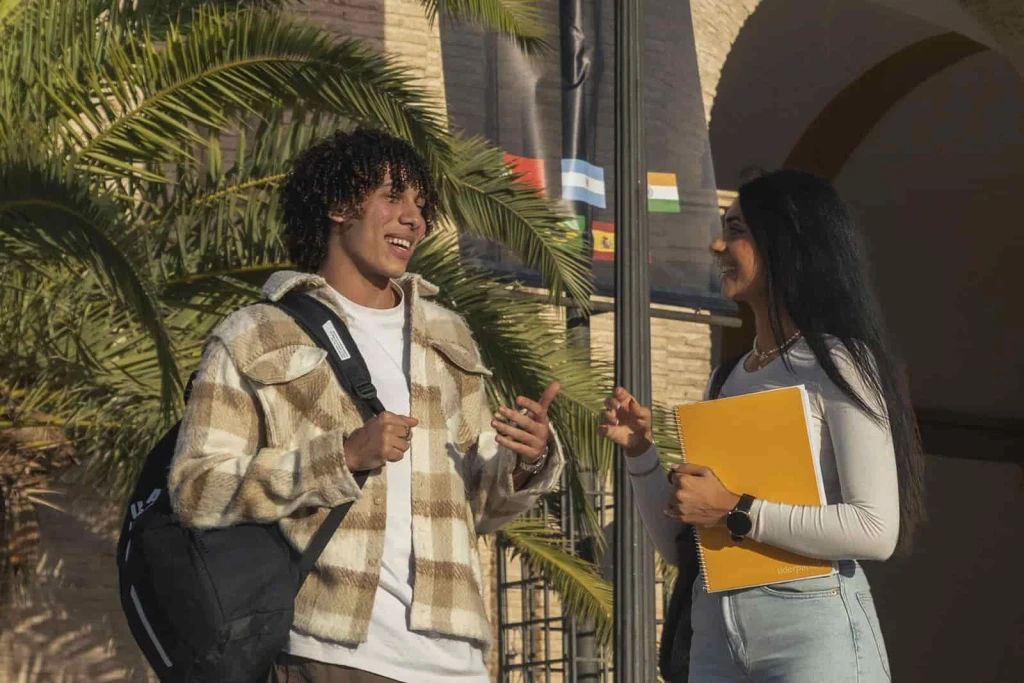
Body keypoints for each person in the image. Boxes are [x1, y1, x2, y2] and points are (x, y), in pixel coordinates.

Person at [169, 128, 564, 683]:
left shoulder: (448, 336)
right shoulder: (256, 334)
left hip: (458, 659)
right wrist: (343, 457)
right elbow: (196, 489)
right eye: (393, 198)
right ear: (337, 206)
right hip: (331, 650)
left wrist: (523, 461)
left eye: (421, 207)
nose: (414, 219)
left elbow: (477, 506)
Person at [600, 169, 925, 682]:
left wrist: (734, 508)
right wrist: (641, 453)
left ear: (787, 243)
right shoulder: (725, 379)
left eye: (737, 230)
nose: (717, 245)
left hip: (812, 632)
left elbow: (874, 529)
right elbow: (679, 547)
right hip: (714, 635)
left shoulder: (839, 363)